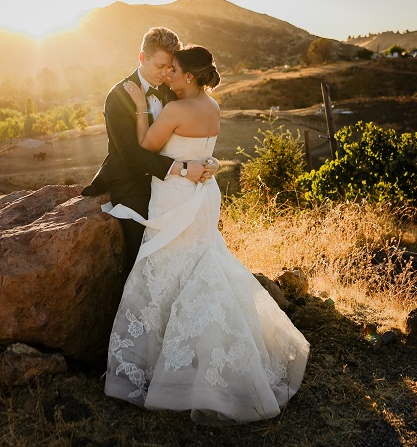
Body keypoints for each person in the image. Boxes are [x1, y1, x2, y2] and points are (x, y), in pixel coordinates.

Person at [104, 45, 309, 425]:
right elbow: (204, 149)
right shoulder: (212, 105)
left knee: (164, 267)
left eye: (175, 69)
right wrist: (205, 162)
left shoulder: (176, 110)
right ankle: (202, 355)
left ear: (189, 77)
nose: (169, 75)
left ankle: (165, 362)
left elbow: (146, 146)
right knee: (199, 262)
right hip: (202, 197)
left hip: (176, 197)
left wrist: (137, 108)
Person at [82, 27, 217, 271]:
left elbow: (190, 129)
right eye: (159, 66)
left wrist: (207, 161)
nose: (165, 73)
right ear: (142, 58)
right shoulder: (118, 96)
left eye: (170, 67)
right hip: (131, 179)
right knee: (143, 250)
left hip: (169, 183)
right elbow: (130, 154)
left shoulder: (172, 89)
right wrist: (182, 169)